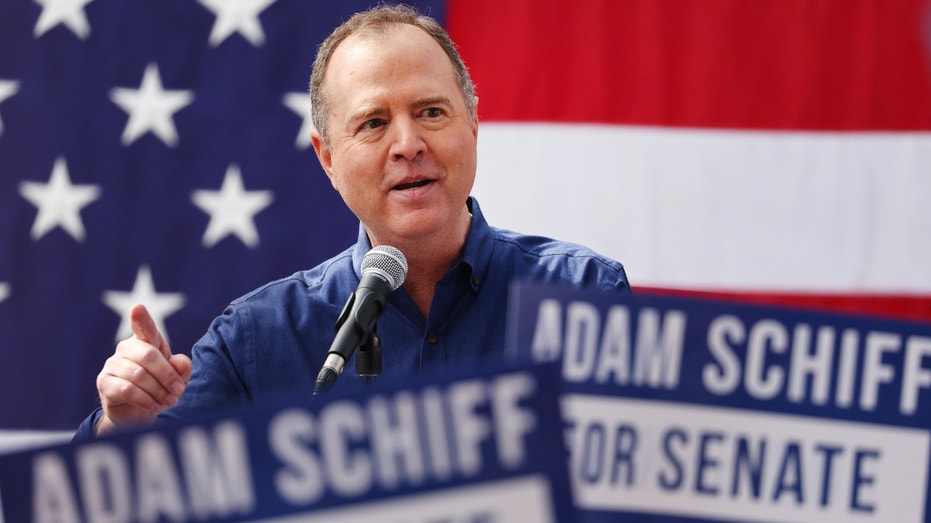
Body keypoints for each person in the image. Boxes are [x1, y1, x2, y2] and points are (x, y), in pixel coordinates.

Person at [75, 4, 630, 439]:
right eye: (373, 123)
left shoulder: (582, 293)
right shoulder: (257, 340)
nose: (408, 145)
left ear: (474, 127)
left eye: (432, 112)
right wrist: (122, 430)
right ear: (328, 159)